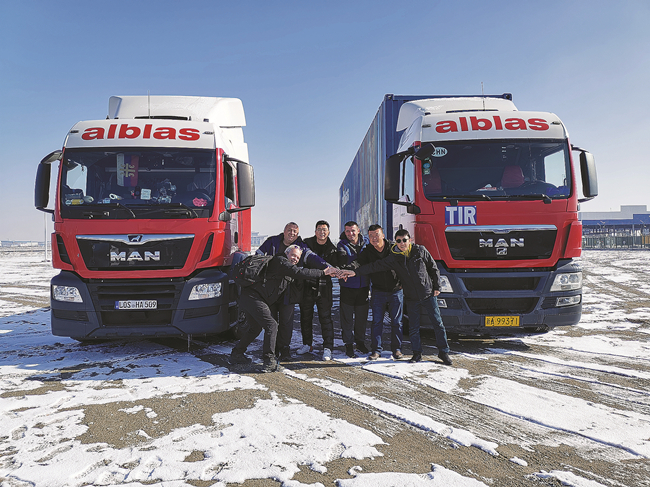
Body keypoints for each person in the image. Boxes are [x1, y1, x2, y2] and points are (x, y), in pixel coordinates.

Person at [343, 229, 453, 365]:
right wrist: (354, 272)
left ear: (409, 240)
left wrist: (437, 287)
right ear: (396, 242)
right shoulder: (394, 257)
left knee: (438, 324)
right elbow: (374, 266)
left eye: (404, 240)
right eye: (399, 241)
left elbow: (433, 268)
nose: (402, 243)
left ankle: (444, 352)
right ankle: (417, 353)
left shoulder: (420, 250)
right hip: (411, 297)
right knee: (413, 327)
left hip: (428, 293)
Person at [230, 245, 339, 372]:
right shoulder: (280, 261)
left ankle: (237, 353)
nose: (295, 259)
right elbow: (299, 273)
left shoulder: (285, 270)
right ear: (286, 253)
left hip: (250, 298)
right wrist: (324, 272)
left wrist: (339, 274)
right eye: (293, 255)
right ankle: (269, 360)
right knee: (271, 325)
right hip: (253, 297)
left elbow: (299, 276)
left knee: (255, 328)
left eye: (298, 257)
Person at [256, 222, 329, 361]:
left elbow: (314, 259)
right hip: (271, 291)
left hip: (289, 291)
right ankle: (271, 351)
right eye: (289, 230)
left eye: (295, 231)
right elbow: (258, 255)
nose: (292, 233)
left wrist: (329, 268)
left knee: (286, 323)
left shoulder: (301, 246)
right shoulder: (272, 242)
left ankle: (284, 350)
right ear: (284, 231)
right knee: (271, 323)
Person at [357, 224, 403, 360]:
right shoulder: (367, 251)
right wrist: (347, 270)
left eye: (376, 234)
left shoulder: (394, 248)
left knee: (397, 322)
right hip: (378, 291)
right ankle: (376, 350)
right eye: (370, 235)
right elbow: (359, 264)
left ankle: (397, 350)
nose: (374, 238)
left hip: (396, 290)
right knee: (377, 322)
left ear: (383, 235)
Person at [298, 220, 338, 361]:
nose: (322, 232)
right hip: (307, 286)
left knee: (325, 318)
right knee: (305, 317)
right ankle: (307, 344)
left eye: (324, 229)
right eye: (319, 229)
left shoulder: (333, 249)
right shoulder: (307, 243)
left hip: (324, 288)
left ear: (328, 232)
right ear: (315, 231)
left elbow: (336, 268)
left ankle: (327, 348)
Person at [337, 221, 370, 358]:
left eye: (353, 231)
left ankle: (360, 342)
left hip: (364, 287)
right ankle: (348, 344)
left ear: (358, 230)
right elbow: (343, 261)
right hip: (347, 287)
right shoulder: (341, 245)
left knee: (362, 318)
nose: (350, 234)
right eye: (347, 231)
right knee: (347, 318)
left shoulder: (367, 244)